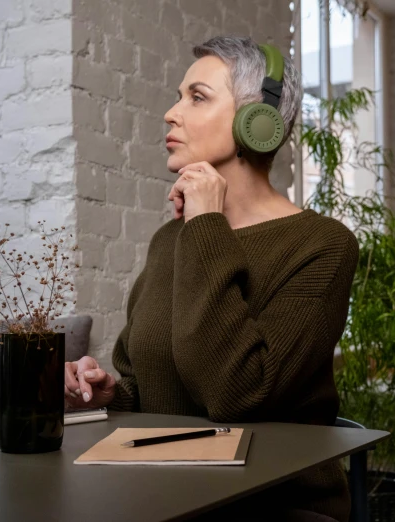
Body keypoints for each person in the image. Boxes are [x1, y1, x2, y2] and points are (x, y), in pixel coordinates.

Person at [64, 35, 359, 522]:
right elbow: (151, 388)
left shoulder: (322, 245)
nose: (171, 113)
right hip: (164, 494)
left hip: (269, 505)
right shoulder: (169, 241)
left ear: (254, 123)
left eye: (197, 97)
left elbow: (237, 397)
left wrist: (205, 223)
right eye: (180, 96)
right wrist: (110, 392)